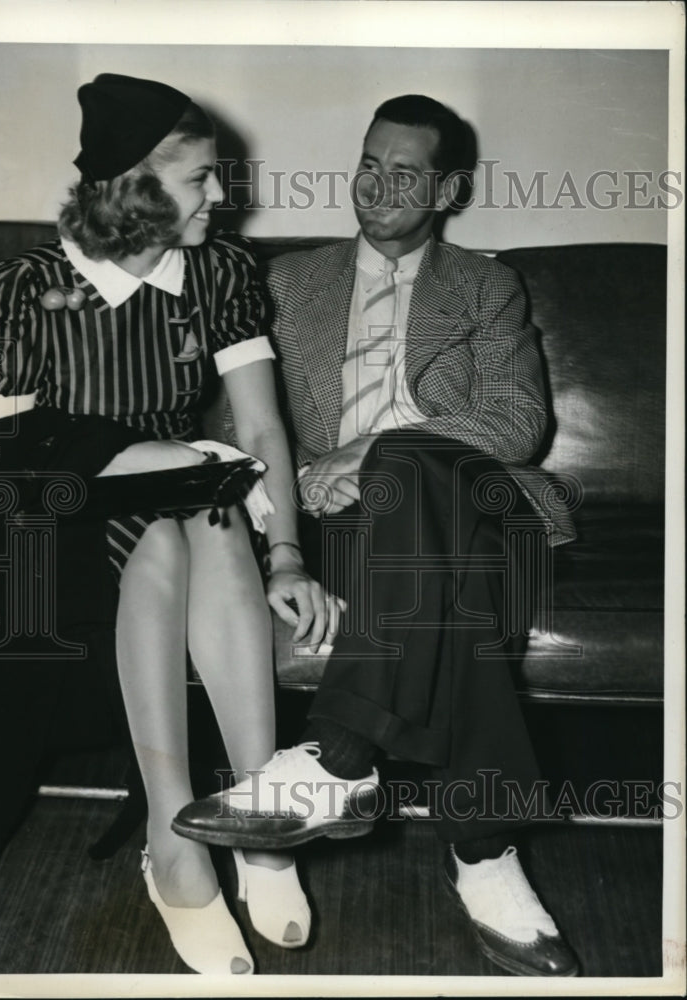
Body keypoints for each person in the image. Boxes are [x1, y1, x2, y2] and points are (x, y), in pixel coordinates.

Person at [172, 95, 580, 977]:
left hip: (473, 498)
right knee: (455, 590)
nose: (378, 187)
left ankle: (340, 756)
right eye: (369, 164)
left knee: (411, 468)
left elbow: (515, 423)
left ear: (446, 189)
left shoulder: (485, 284)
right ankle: (486, 851)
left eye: (405, 173)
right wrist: (278, 523)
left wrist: (379, 445)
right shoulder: (287, 283)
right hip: (339, 519)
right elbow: (236, 425)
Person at [0, 73, 342, 975]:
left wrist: (287, 552)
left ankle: (256, 824)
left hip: (185, 506)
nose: (222, 196)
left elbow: (259, 430)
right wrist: (161, 462)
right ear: (133, 186)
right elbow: (7, 457)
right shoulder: (24, 285)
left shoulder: (219, 272)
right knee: (181, 512)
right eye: (201, 178)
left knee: (200, 520)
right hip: (48, 521)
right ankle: (179, 849)